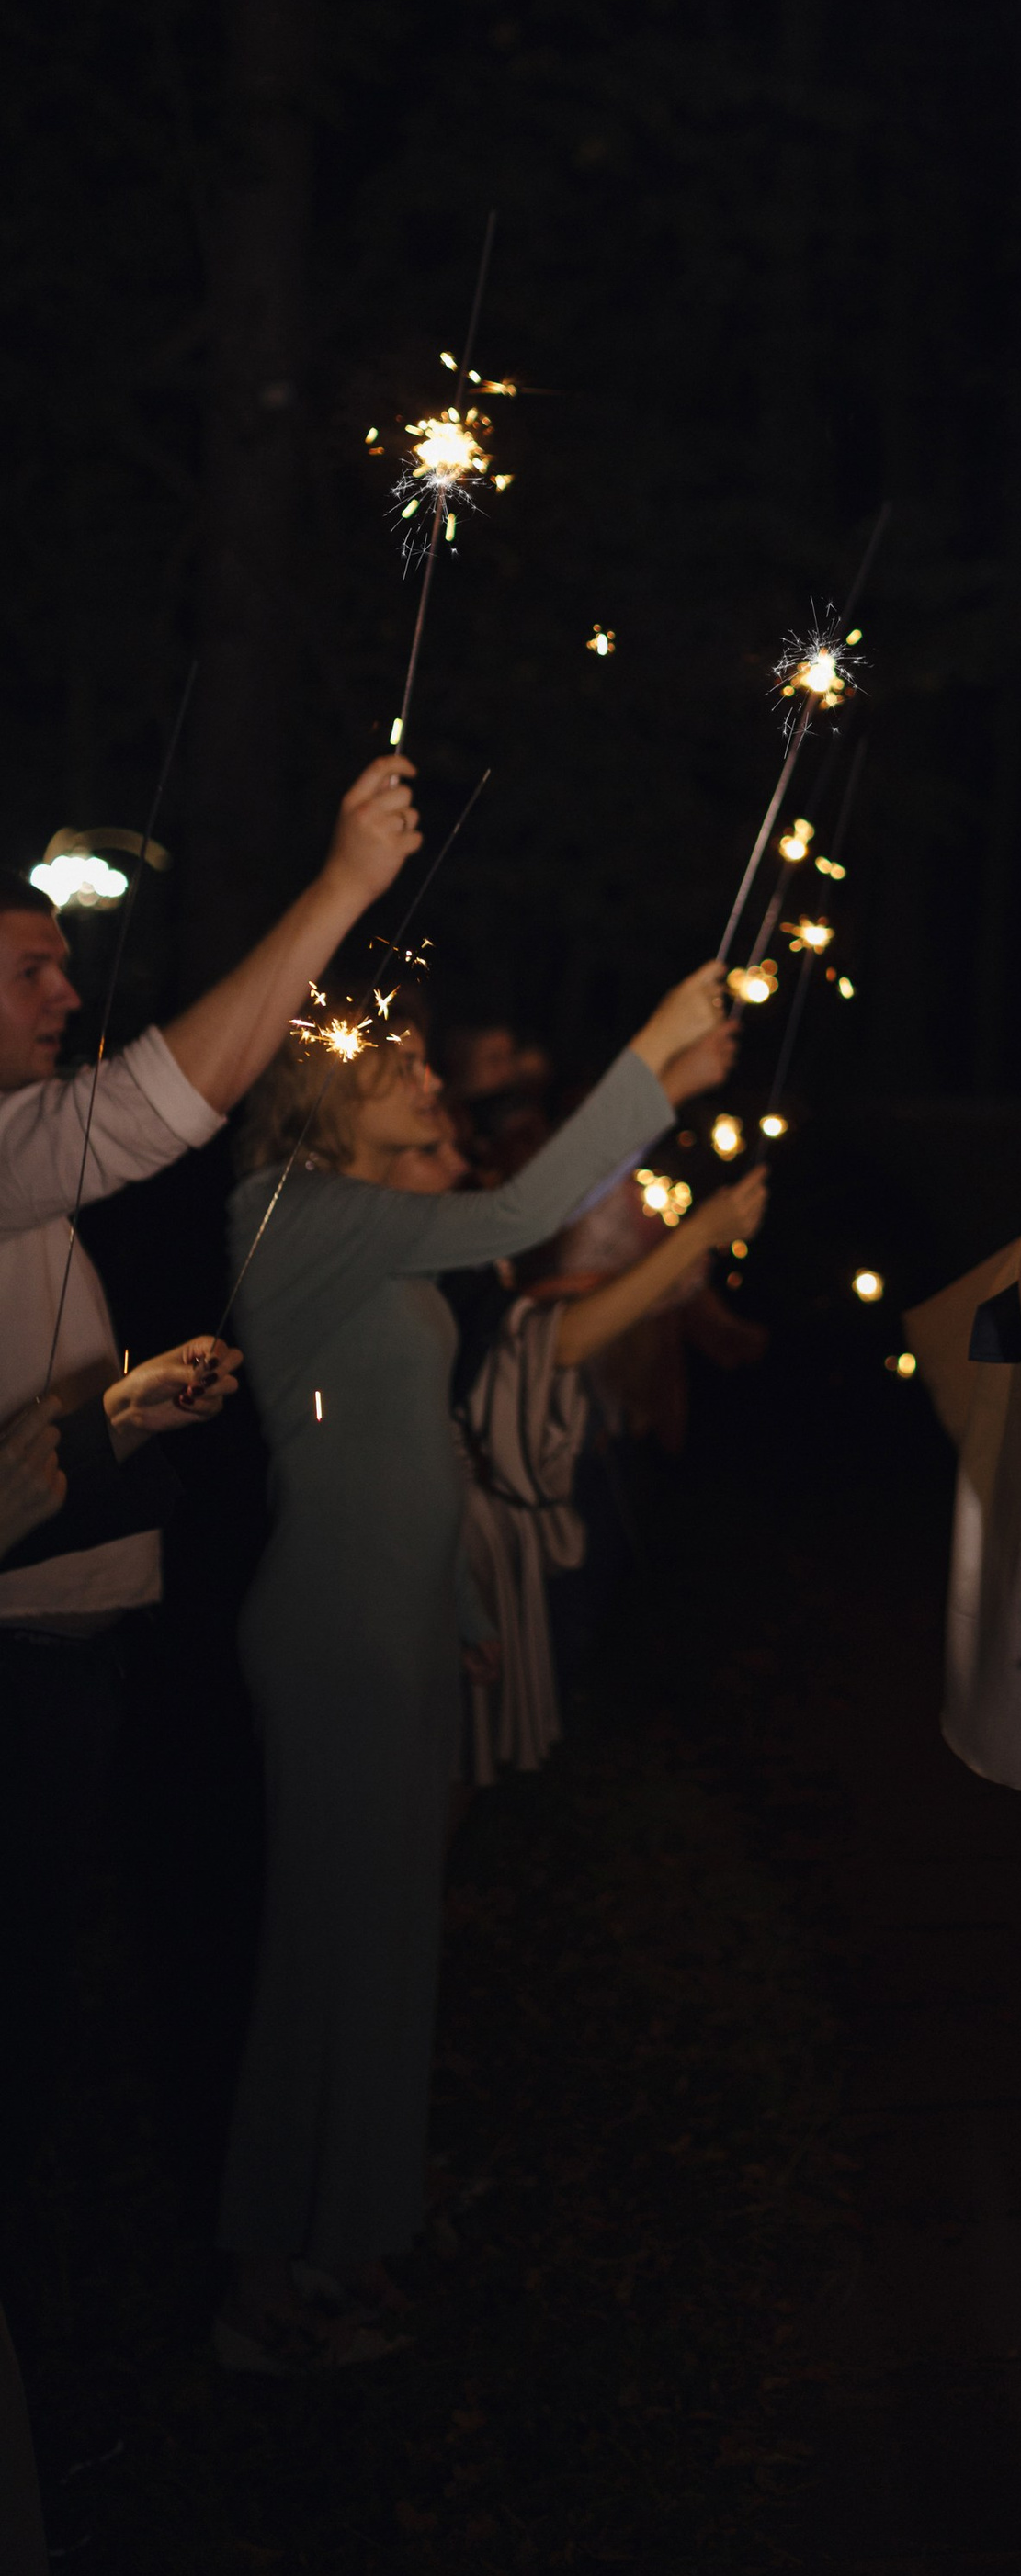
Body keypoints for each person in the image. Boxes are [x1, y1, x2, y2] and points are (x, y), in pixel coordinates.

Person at [212, 961, 728, 2371]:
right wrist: (651, 1044)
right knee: (323, 1956)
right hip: (327, 1633)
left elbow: (403, 1435)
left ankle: (352, 2239)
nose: (435, 1083)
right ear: (330, 1094)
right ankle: (261, 2275)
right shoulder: (286, 1215)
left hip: (395, 1626)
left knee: (389, 1958)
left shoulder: (378, 1224)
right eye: (407, 1072)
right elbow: (518, 1211)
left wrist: (453, 1602)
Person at [0, 758, 419, 2397]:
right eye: (27, 970)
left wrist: (113, 1406)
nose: (67, 989)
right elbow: (157, 1103)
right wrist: (338, 888)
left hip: (97, 1644)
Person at [458, 1162, 769, 1781]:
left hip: (615, 1411)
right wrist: (697, 1238)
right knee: (564, 1586)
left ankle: (559, 1742)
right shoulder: (578, 1183)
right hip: (560, 1424)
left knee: (592, 1578)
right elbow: (564, 1318)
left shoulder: (642, 1187)